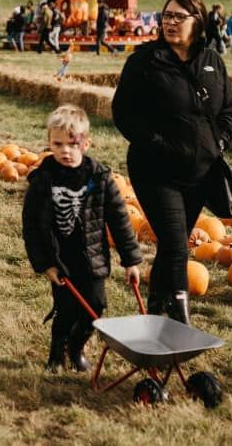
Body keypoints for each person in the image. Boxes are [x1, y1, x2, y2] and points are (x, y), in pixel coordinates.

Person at [111, 0, 232, 325]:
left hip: (200, 172)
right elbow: (122, 112)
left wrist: (220, 142)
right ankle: (181, 322)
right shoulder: (144, 61)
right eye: (166, 15)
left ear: (198, 21)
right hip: (156, 170)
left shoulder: (212, 62)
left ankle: (154, 309)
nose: (171, 22)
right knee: (178, 246)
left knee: (171, 244)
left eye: (179, 16)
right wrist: (154, 142)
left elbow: (226, 109)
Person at [22, 105, 142, 372]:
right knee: (65, 310)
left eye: (72, 144)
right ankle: (56, 352)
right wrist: (45, 264)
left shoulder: (100, 178)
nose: (65, 150)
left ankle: (75, 347)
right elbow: (31, 226)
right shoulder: (42, 180)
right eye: (58, 144)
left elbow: (120, 221)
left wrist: (131, 260)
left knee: (95, 308)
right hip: (61, 258)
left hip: (93, 256)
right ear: (49, 143)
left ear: (85, 143)